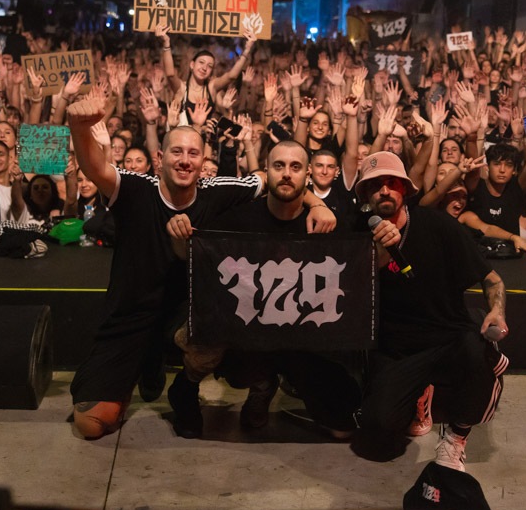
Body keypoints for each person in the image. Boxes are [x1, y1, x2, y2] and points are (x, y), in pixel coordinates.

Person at [64, 89, 335, 439]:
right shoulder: (136, 188)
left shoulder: (216, 190)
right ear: (160, 157)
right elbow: (96, 167)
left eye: (193, 153)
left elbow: (275, 178)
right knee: (92, 424)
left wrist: (317, 204)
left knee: (219, 335)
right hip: (130, 314)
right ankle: (141, 366)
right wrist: (78, 126)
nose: (185, 160)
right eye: (176, 152)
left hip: (186, 313)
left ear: (203, 159)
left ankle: (185, 389)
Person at [166, 140, 399, 439]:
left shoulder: (328, 224)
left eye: (295, 167)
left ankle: (273, 383)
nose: (287, 173)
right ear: (267, 171)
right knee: (205, 338)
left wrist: (385, 246)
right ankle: (211, 387)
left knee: (343, 429)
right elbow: (192, 256)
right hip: (248, 336)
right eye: (279, 166)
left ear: (307, 175)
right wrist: (178, 234)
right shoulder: (238, 218)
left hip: (304, 339)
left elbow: (364, 267)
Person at [351, 151, 509, 470]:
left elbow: (492, 279)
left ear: (405, 189)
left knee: (476, 355)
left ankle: (456, 436)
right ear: (365, 195)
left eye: (392, 183)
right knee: (378, 435)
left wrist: (497, 311)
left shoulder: (438, 225)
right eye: (375, 185)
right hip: (397, 349)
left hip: (448, 336)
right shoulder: (355, 234)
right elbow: (351, 296)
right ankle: (423, 394)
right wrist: (377, 255)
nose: (384, 190)